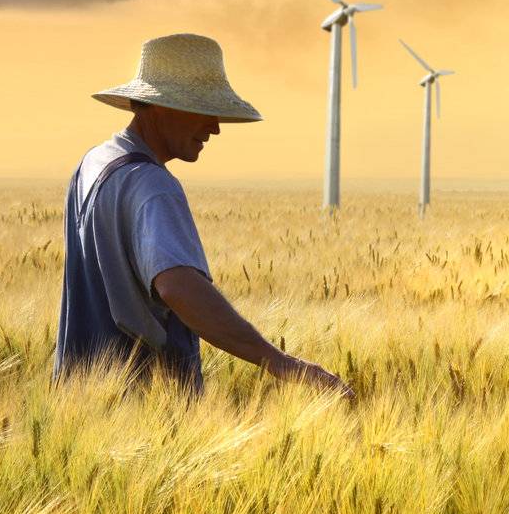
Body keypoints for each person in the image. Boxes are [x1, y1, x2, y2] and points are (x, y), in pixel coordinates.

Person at [53, 31, 353, 401]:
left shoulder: (93, 163)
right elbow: (178, 286)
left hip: (80, 403)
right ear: (161, 106)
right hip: (144, 412)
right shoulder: (152, 185)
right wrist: (281, 363)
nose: (215, 127)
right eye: (204, 110)